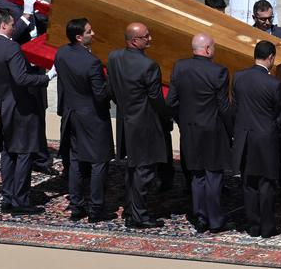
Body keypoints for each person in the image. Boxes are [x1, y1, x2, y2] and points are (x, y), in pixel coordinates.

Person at [0, 9, 53, 215]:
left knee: (9, 151)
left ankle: (8, 196)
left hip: (5, 104)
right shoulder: (11, 48)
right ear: (3, 25)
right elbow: (21, 78)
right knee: (24, 153)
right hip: (22, 106)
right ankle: (20, 200)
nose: (14, 28)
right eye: (12, 24)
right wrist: (47, 78)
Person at [166, 33, 233, 233]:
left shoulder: (179, 67)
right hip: (212, 130)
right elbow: (223, 106)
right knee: (213, 174)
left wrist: (183, 120)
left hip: (190, 129)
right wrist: (231, 130)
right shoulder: (218, 71)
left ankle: (201, 216)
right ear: (208, 49)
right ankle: (215, 220)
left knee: (197, 175)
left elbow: (171, 102)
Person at [106, 22, 171, 229]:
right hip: (145, 124)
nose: (150, 39)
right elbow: (156, 99)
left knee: (133, 168)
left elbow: (112, 88)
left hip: (126, 120)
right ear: (135, 41)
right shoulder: (149, 66)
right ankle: (139, 216)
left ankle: (132, 207)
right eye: (146, 36)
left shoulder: (114, 57)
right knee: (144, 171)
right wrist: (167, 116)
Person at [53, 18, 114, 223]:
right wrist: (111, 83)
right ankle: (96, 208)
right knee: (99, 161)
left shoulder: (61, 53)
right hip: (93, 117)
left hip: (72, 114)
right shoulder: (92, 63)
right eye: (89, 31)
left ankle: (77, 205)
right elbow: (100, 94)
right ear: (79, 37)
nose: (93, 33)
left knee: (76, 160)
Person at [232, 39, 281, 238]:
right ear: (271, 57)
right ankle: (267, 227)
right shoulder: (274, 84)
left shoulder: (238, 77)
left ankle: (253, 226)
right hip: (266, 141)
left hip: (245, 138)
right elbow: (279, 117)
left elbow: (235, 109)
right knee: (267, 185)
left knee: (249, 184)